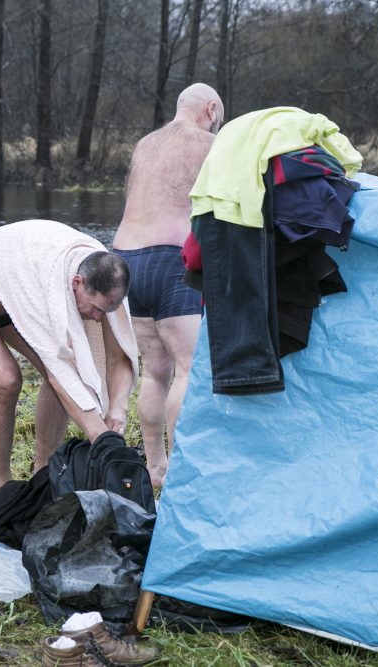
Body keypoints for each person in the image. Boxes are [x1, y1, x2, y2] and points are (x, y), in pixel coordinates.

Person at [0, 219, 138, 491]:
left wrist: (118, 409)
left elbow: (120, 353)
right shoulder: (52, 280)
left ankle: (44, 473)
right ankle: (1, 482)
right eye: (95, 309)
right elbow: (58, 372)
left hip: (13, 296)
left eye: (106, 311)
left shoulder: (107, 278)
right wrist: (101, 439)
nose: (98, 318)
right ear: (77, 282)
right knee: (7, 380)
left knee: (64, 376)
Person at [112, 83, 223, 488]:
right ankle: (181, 471)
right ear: (210, 109)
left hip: (124, 260)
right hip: (170, 257)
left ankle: (155, 468)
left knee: (155, 371)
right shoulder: (209, 144)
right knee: (187, 368)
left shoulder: (145, 144)